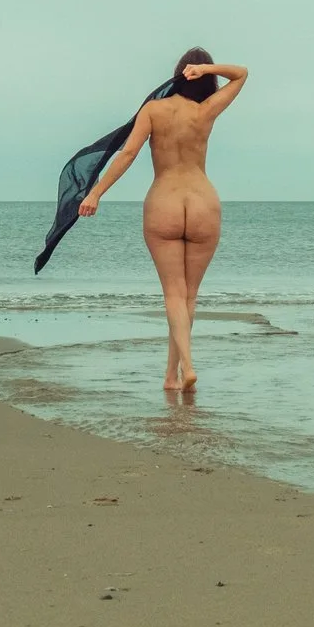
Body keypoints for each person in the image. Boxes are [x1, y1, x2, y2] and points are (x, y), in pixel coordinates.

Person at [75, 47, 248, 391]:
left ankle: (187, 366)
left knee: (173, 295)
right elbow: (242, 73)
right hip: (202, 203)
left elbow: (128, 153)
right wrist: (207, 68)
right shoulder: (207, 111)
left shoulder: (154, 110)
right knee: (189, 297)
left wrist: (96, 193)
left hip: (164, 203)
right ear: (205, 78)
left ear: (178, 73)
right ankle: (173, 376)